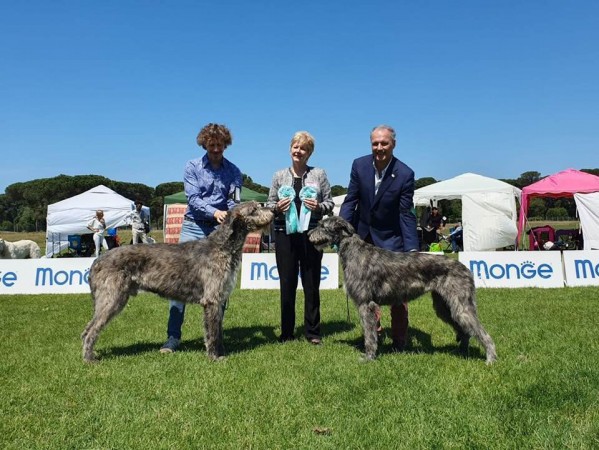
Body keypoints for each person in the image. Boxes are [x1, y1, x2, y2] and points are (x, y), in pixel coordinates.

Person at [160, 123, 242, 354]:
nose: (216, 149)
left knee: (219, 289)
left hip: (221, 233)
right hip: (194, 227)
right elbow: (193, 198)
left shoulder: (234, 171)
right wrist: (215, 212)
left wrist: (230, 213)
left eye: (220, 145)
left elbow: (234, 201)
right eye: (211, 145)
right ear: (204, 144)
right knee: (178, 285)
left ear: (225, 145)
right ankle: (172, 338)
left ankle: (215, 339)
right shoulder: (192, 166)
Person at [339, 125, 419, 352]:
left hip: (390, 239)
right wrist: (342, 229)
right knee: (366, 291)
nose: (379, 148)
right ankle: (374, 333)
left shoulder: (405, 173)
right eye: (375, 143)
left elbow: (406, 213)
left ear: (393, 144)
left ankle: (399, 339)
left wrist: (412, 249)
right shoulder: (359, 165)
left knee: (398, 294)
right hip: (362, 237)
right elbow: (351, 200)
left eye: (384, 143)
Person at [267, 131, 334, 345]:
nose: (298, 151)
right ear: (290, 149)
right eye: (296, 147)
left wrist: (319, 206)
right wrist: (277, 207)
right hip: (284, 235)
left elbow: (330, 203)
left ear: (309, 153)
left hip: (312, 236)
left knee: (311, 284)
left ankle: (313, 332)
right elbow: (269, 206)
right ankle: (287, 332)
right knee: (287, 284)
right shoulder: (278, 176)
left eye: (303, 148)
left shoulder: (319, 174)